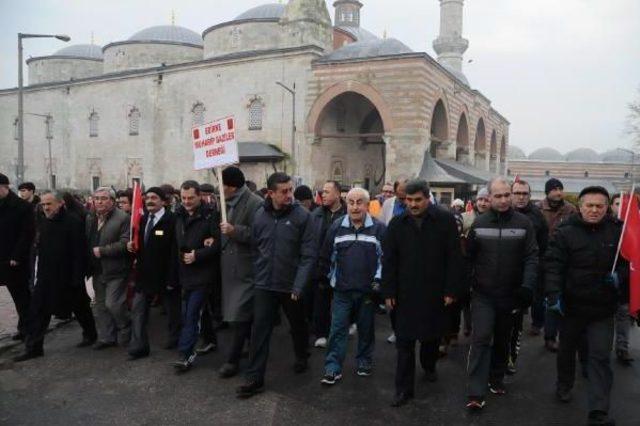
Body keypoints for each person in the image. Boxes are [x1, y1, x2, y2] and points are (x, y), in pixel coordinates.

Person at [545, 186, 626, 426]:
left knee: (600, 358)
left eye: (599, 206)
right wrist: (553, 295)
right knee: (567, 351)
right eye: (589, 205)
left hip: (602, 308)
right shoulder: (565, 231)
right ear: (580, 207)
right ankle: (564, 384)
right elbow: (552, 265)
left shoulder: (617, 232)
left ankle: (598, 411)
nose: (594, 210)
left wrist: (620, 277)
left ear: (607, 207)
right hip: (571, 307)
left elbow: (628, 264)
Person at [382, 179, 463, 407]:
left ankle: (429, 366)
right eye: (409, 200)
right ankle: (403, 390)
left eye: (418, 200)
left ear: (428, 198)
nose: (413, 204)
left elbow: (454, 258)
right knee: (404, 344)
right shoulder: (397, 224)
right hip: (404, 293)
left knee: (430, 338)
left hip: (434, 292)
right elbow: (389, 260)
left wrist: (451, 290)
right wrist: (388, 290)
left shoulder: (444, 221)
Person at [236, 172, 316, 398]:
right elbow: (256, 246)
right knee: (259, 330)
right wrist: (257, 273)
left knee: (298, 325)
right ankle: (254, 378)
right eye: (284, 191)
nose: (290, 195)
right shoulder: (260, 215)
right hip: (264, 284)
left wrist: (299, 286)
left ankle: (302, 355)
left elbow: (309, 255)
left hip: (292, 286)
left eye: (291, 190)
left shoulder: (303, 217)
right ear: (270, 193)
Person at [465, 177, 538, 410]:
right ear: (489, 197)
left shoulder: (524, 223)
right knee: (481, 337)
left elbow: (531, 257)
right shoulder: (478, 224)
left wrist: (527, 286)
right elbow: (469, 258)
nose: (504, 200)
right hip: (483, 294)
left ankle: (496, 378)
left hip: (512, 294)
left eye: (507, 195)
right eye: (498, 196)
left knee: (503, 338)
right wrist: (465, 285)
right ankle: (476, 390)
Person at [13, 191, 97, 362]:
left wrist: (76, 278)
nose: (46, 208)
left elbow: (78, 253)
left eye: (49, 204)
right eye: (43, 205)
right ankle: (34, 347)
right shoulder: (43, 221)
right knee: (38, 311)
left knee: (80, 307)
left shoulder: (72, 223)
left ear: (60, 204)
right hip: (45, 276)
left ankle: (90, 334)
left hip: (68, 277)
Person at [318, 188, 386, 385]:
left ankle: (364, 361)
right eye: (351, 202)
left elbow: (385, 259)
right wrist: (328, 281)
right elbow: (326, 257)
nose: (355, 207)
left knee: (366, 329)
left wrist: (377, 282)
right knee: (338, 329)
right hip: (342, 291)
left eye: (359, 202)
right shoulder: (336, 227)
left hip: (367, 291)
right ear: (346, 204)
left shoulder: (379, 229)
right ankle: (332, 368)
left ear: (367, 205)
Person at [217, 167, 263, 378]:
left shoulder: (255, 203)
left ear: (231, 186)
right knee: (241, 316)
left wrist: (235, 231)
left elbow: (260, 235)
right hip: (230, 269)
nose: (219, 188)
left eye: (221, 184)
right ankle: (249, 348)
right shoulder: (225, 201)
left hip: (246, 269)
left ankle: (232, 360)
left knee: (239, 316)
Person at [170, 180, 220, 372]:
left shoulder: (211, 215)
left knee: (191, 313)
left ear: (199, 196)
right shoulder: (178, 215)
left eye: (191, 197)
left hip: (203, 274)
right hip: (185, 274)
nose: (187, 201)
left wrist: (197, 255)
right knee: (199, 310)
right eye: (183, 198)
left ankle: (186, 354)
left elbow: (217, 244)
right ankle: (210, 340)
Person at [126, 187, 177, 360]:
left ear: (164, 201)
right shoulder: (142, 218)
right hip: (144, 274)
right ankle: (139, 346)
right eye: (147, 198)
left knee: (172, 311)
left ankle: (175, 338)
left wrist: (172, 277)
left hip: (165, 275)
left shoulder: (173, 220)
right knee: (138, 310)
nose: (149, 201)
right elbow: (140, 246)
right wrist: (131, 247)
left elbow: (174, 252)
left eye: (154, 198)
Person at [509, 179, 548, 374]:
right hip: (499, 276)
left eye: (525, 193)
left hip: (525, 275)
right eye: (517, 193)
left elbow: (542, 247)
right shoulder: (501, 212)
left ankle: (510, 358)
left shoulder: (537, 217)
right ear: (511, 194)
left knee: (515, 322)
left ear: (530, 195)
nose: (521, 197)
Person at [86, 187, 132, 349]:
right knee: (100, 306)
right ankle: (106, 337)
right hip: (97, 269)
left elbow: (126, 243)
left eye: (104, 198)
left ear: (112, 201)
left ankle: (126, 328)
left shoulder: (123, 218)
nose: (99, 201)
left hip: (116, 268)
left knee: (113, 304)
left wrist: (103, 251)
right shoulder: (90, 217)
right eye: (96, 198)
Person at [537, 177, 577, 352]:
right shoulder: (538, 209)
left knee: (565, 298)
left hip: (566, 261)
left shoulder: (570, 210)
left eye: (560, 188)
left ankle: (564, 336)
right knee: (549, 299)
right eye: (554, 189)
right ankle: (549, 336)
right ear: (547, 192)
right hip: (543, 259)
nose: (558, 192)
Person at [311, 180, 347, 349]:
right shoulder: (316, 214)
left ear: (338, 194)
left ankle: (342, 330)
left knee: (342, 301)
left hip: (343, 265)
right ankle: (321, 333)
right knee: (321, 300)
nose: (322, 194)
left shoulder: (349, 214)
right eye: (322, 192)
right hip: (322, 264)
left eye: (326, 191)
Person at [0, 173, 35, 342]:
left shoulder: (22, 207)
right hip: (2, 256)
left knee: (21, 296)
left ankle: (27, 328)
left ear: (5, 187)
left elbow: (26, 234)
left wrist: (17, 255)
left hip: (14, 260)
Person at [609, 193, 634, 365]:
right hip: (603, 282)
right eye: (617, 203)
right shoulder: (605, 226)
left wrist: (621, 275)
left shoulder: (634, 230)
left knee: (623, 316)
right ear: (611, 206)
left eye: (624, 204)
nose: (621, 207)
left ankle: (622, 348)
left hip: (624, 283)